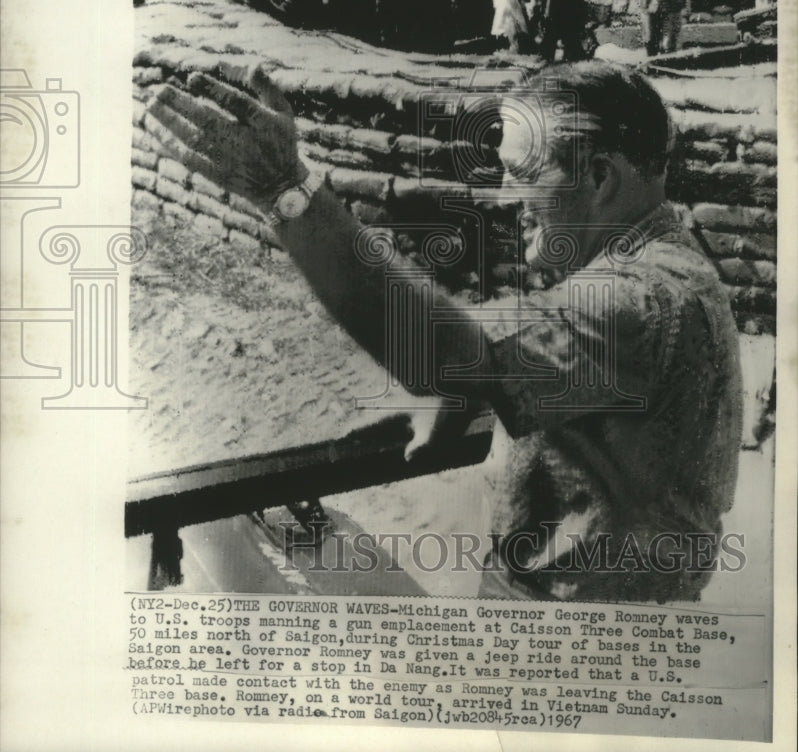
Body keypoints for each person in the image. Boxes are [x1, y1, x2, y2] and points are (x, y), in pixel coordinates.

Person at [148, 61, 743, 604]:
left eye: (521, 174)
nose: (507, 199)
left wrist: (286, 190)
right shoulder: (664, 265)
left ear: (599, 176)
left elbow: (437, 348)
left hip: (574, 649)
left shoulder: (640, 297)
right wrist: (477, 391)